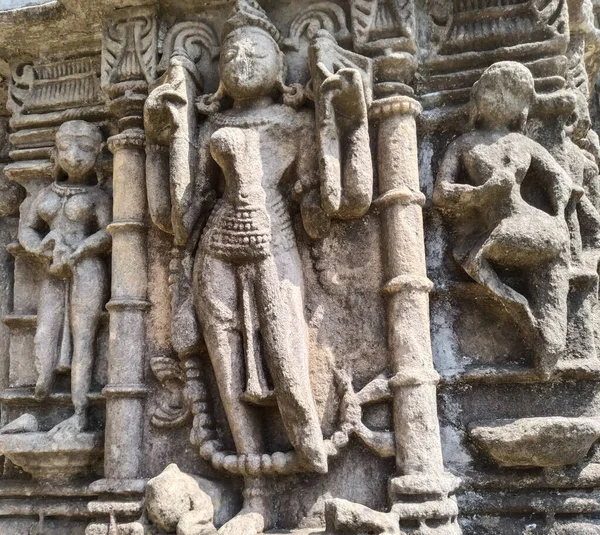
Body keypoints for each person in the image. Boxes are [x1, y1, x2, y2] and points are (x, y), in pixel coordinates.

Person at [434, 62, 576, 372]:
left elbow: (562, 181)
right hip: (500, 231)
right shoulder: (464, 145)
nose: (500, 97)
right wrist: (482, 192)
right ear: (476, 99)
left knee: (553, 346)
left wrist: (561, 216)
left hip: (539, 229)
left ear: (521, 107)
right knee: (474, 255)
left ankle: (537, 329)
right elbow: (441, 193)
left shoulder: (523, 144)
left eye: (511, 92)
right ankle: (522, 309)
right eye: (492, 89)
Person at [18, 120, 111, 435]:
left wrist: (82, 249)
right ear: (53, 154)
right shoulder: (46, 192)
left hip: (85, 269)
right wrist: (40, 248)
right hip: (53, 268)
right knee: (45, 333)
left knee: (83, 337)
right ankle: (39, 398)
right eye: (66, 148)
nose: (75, 156)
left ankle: (80, 412)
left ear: (99, 154)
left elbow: (108, 232)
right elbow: (27, 229)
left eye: (85, 149)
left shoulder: (98, 196)